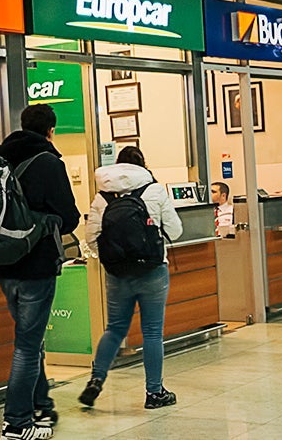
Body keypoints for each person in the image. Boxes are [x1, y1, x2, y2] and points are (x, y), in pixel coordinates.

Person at [0, 104, 80, 440]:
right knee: (28, 345)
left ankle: (41, 404)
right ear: (51, 130)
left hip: (4, 265)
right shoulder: (48, 162)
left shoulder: (0, 160)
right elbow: (69, 217)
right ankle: (16, 423)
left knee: (30, 339)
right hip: (36, 266)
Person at [79, 146, 182, 410]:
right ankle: (154, 392)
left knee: (114, 329)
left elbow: (90, 238)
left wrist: (114, 255)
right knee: (151, 332)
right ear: (142, 165)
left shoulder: (103, 196)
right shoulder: (155, 190)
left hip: (118, 274)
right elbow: (176, 230)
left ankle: (96, 380)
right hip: (152, 271)